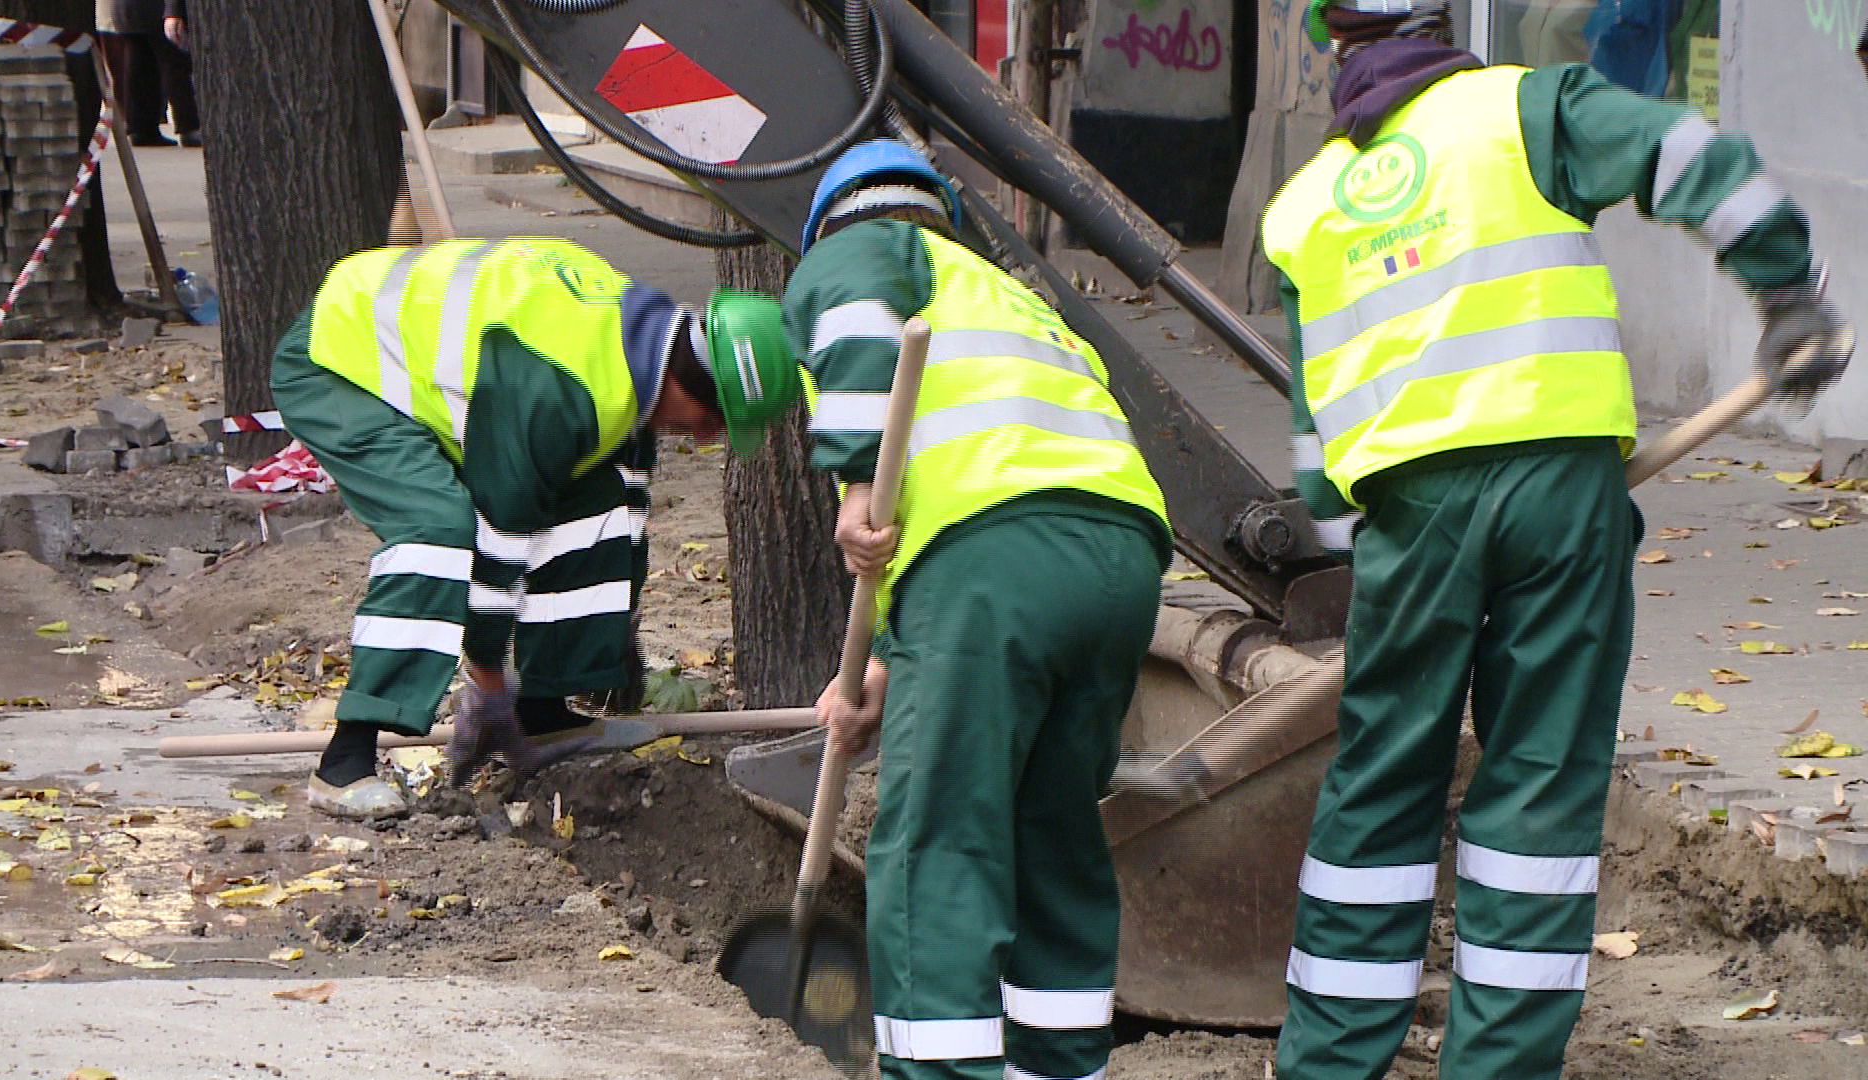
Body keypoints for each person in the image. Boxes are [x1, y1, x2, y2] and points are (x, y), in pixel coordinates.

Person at [1264, 3, 1852, 1078]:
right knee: (1538, 781)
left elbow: (1316, 437)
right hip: (1559, 492)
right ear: (1440, 20)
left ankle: (1327, 1065)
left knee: (1380, 785)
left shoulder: (1303, 208)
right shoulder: (1524, 108)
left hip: (1408, 517)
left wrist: (1362, 558)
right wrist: (1785, 288)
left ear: (1330, 43)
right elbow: (1689, 151)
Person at [792, 140, 1173, 1080]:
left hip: (994, 558)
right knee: (1054, 832)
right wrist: (885, 668)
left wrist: (853, 483)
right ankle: (1059, 1065)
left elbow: (856, 322)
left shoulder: (868, 249)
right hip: (1119, 560)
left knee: (940, 844)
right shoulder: (1015, 300)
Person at [271, 236, 799, 820]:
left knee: (598, 497)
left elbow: (628, 509)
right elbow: (500, 534)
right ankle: (344, 761)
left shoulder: (643, 349)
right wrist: (488, 684)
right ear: (686, 381)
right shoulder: (553, 390)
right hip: (340, 360)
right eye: (711, 419)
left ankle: (543, 715)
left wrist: (612, 646)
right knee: (438, 530)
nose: (704, 437)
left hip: (434, 357)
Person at [111, 0, 198, 146]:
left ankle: (141, 128)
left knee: (140, 65)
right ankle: (189, 126)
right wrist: (174, 11)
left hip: (128, 9)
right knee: (174, 66)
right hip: (157, 9)